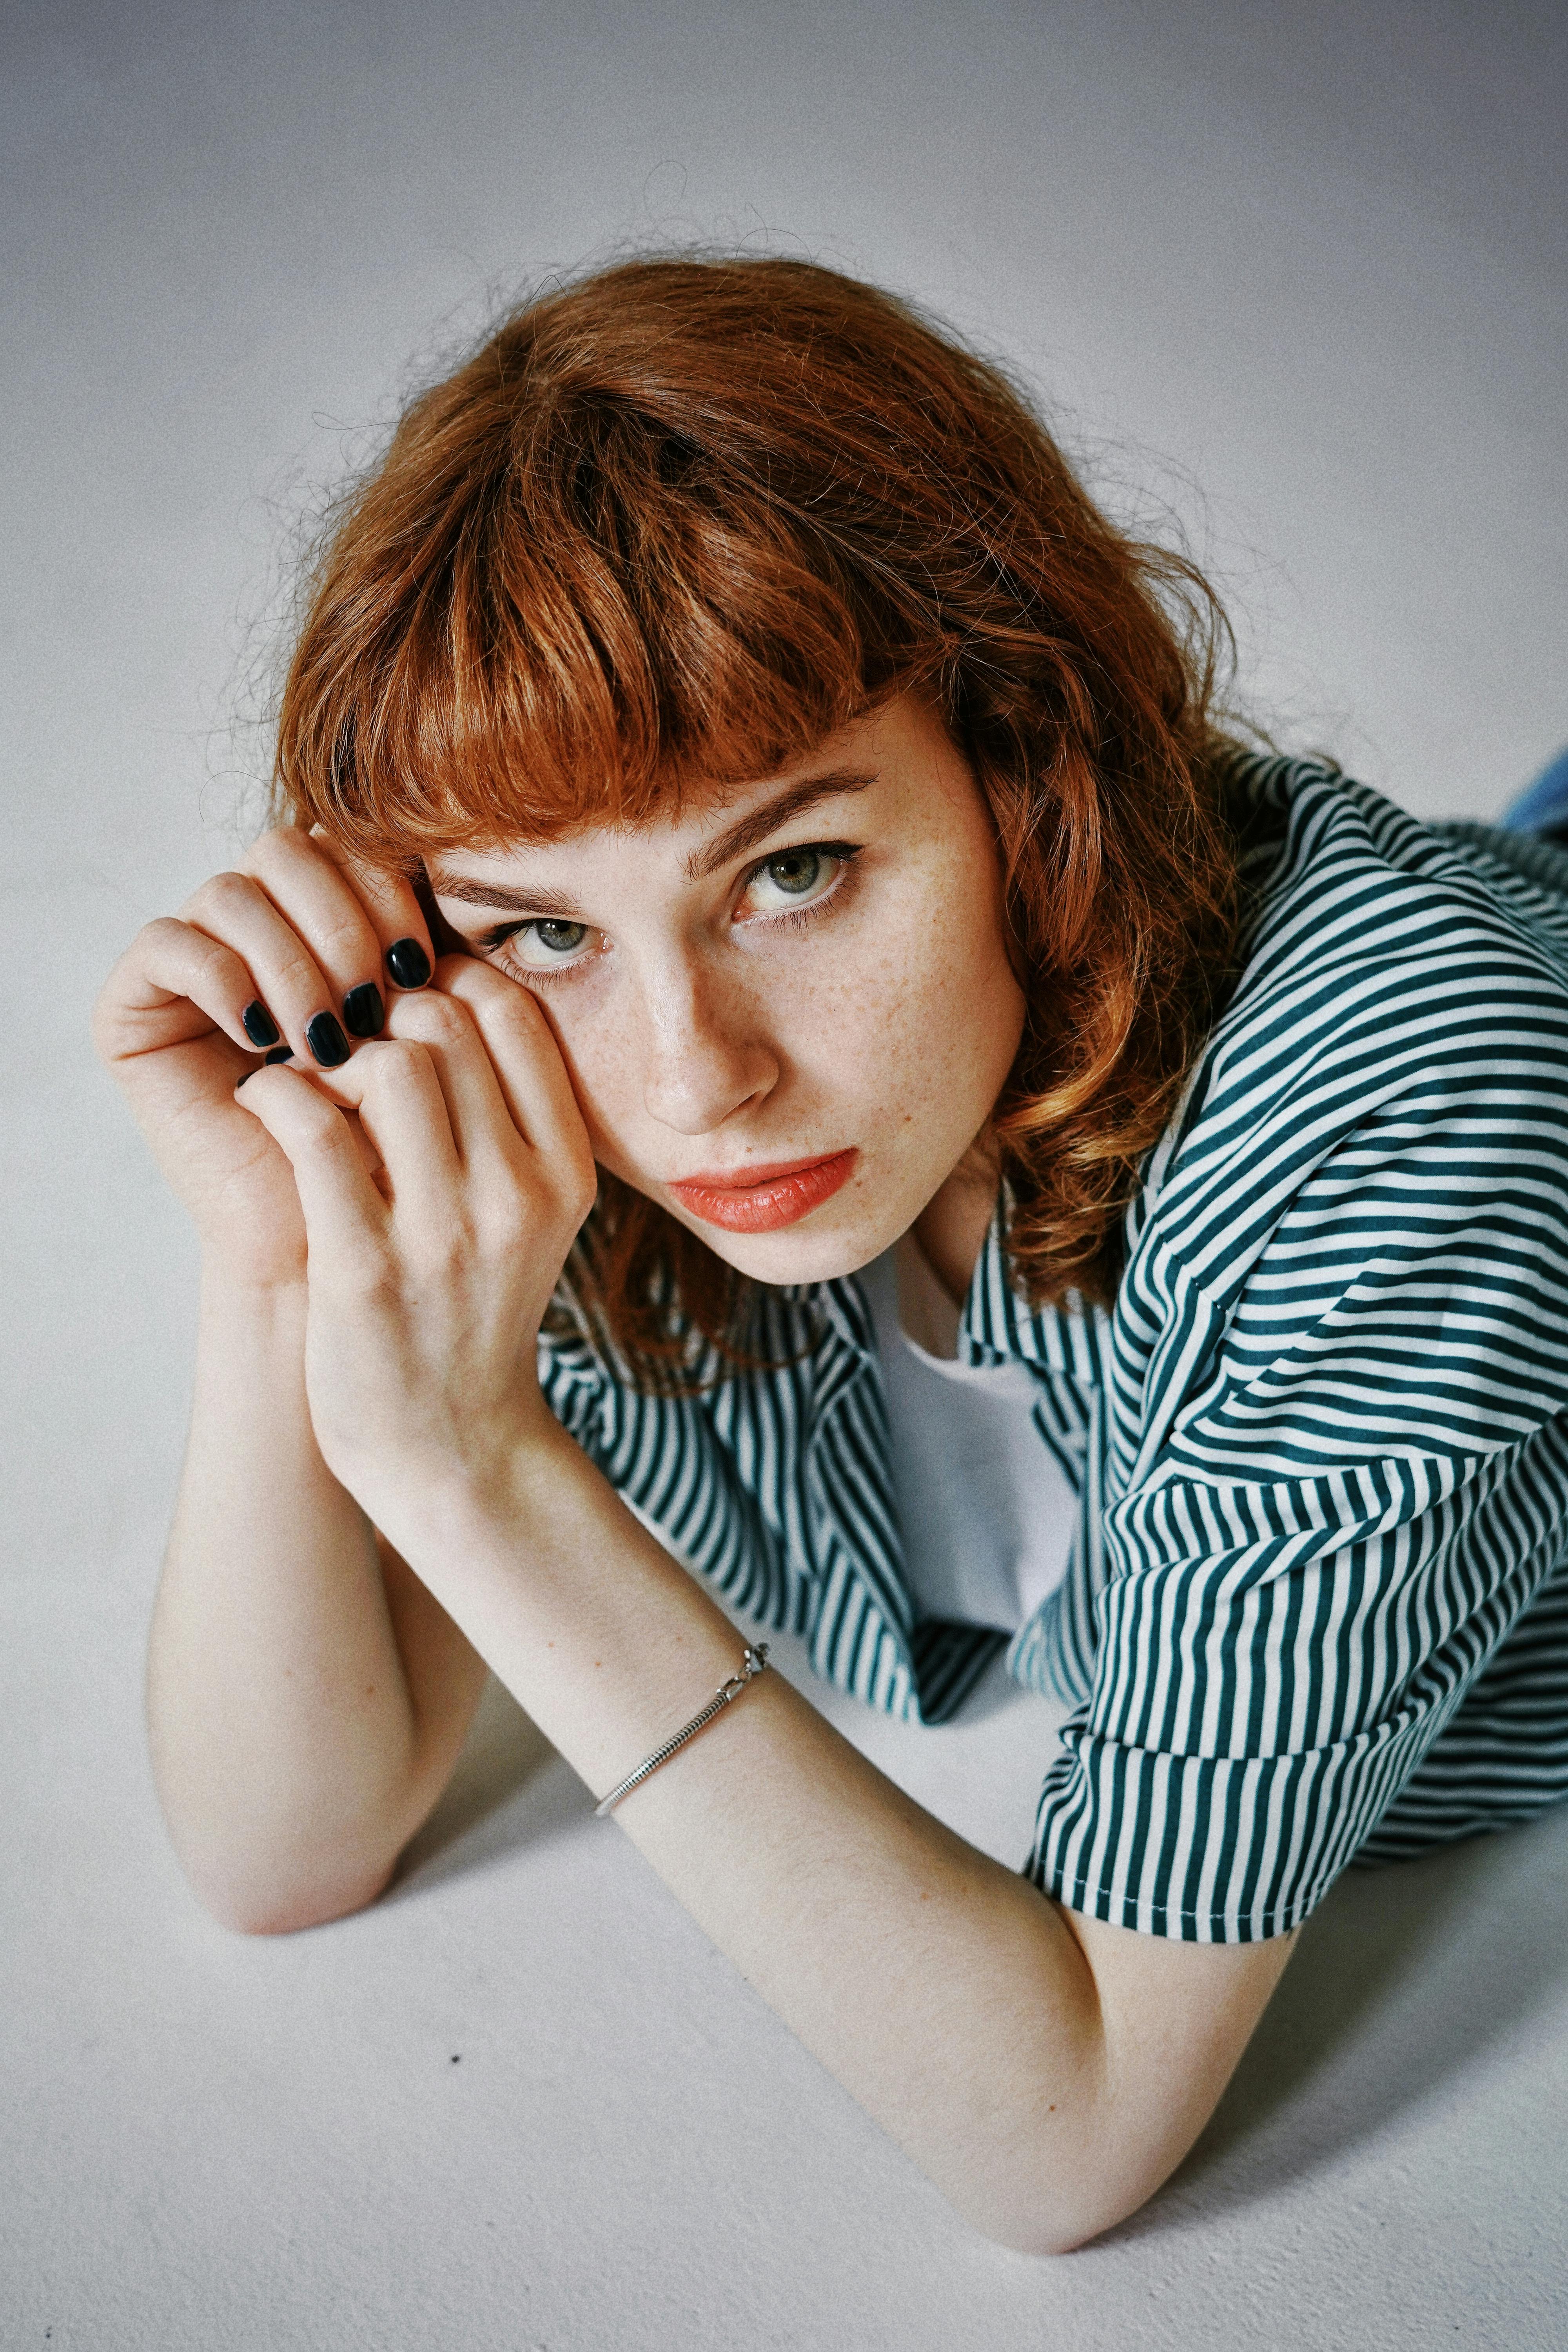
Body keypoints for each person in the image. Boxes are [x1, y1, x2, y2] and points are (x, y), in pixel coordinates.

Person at [91, 254, 1568, 2253]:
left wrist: (469, 1466)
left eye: (793, 872)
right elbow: (288, 1846)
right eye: (547, 928)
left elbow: (1064, 2125)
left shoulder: (1399, 1117)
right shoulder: (553, 1098)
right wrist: (293, 1223)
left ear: (1025, 768)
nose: (693, 1080)